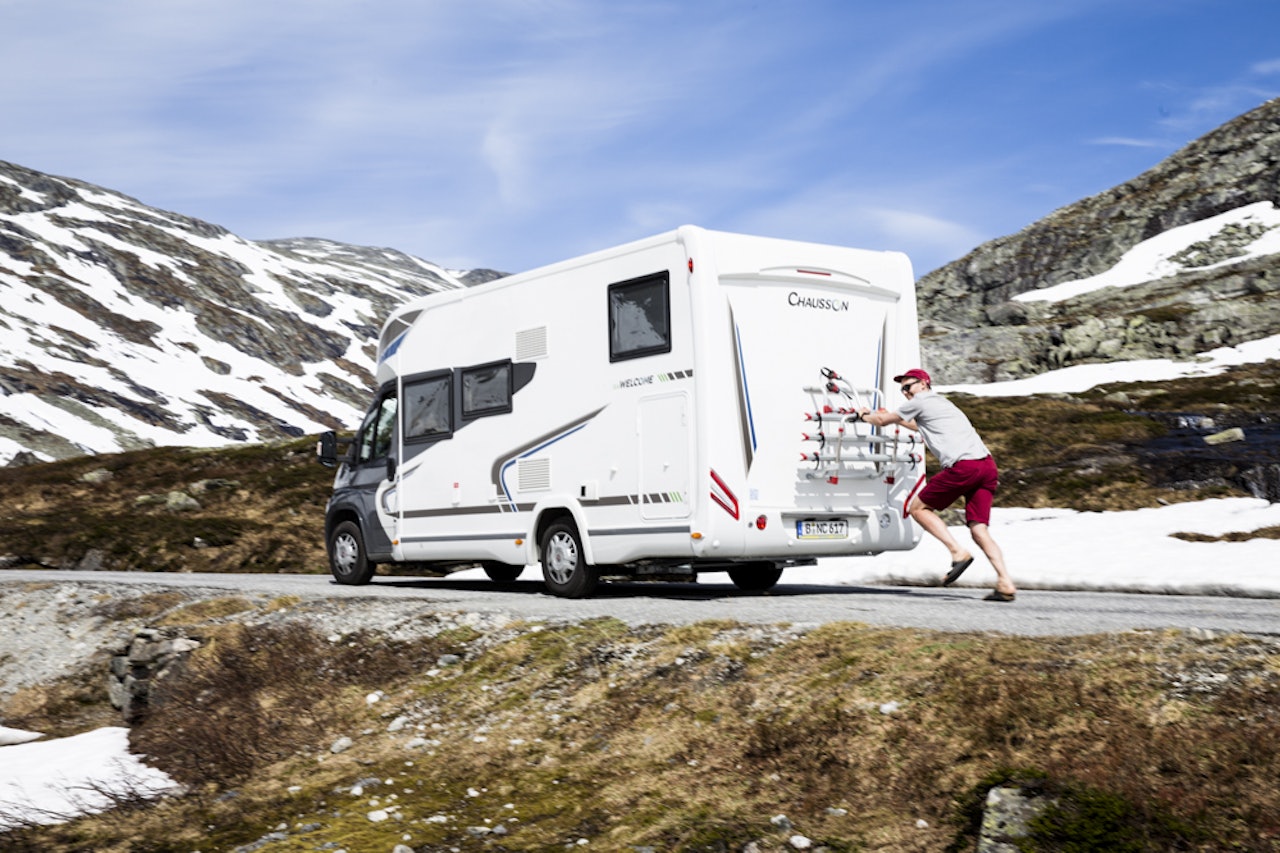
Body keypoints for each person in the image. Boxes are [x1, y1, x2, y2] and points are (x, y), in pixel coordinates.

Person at [857, 368, 1018, 602]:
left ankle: (957, 552)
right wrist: (896, 419)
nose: (906, 393)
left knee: (917, 509)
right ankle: (1005, 582)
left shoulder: (921, 400)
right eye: (902, 389)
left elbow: (881, 421)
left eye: (908, 386)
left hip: (964, 466)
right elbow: (920, 426)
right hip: (987, 466)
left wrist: (864, 415)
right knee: (978, 528)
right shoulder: (942, 404)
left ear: (923, 384)